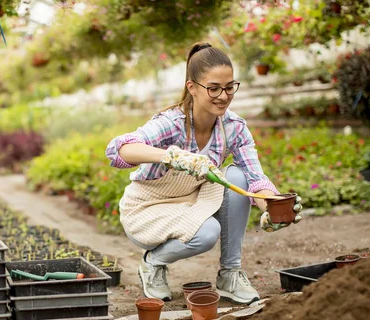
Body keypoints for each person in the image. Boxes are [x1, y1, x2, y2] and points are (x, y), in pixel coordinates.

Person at [105, 42, 302, 305]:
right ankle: (153, 262)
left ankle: (230, 274)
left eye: (229, 87)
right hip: (147, 208)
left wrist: (274, 207)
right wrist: (170, 155)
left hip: (189, 202)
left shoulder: (235, 128)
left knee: (237, 177)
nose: (223, 96)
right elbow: (119, 149)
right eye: (213, 88)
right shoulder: (171, 123)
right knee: (207, 233)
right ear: (192, 87)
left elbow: (255, 180)